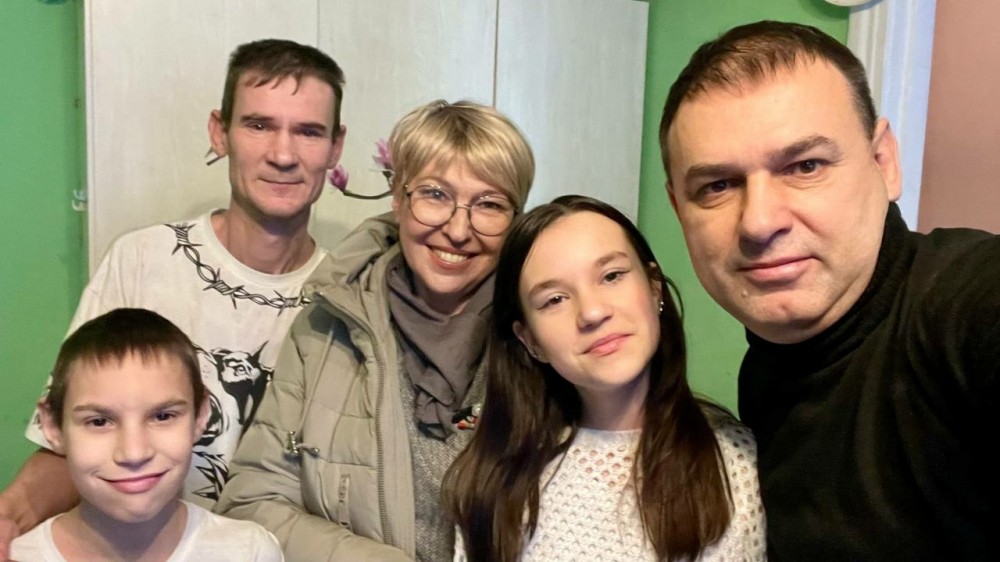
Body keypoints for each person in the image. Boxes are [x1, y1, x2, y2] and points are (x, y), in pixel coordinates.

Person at [660, 20, 1000, 561]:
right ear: (680, 210)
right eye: (718, 186)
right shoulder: (771, 370)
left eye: (805, 166)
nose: (759, 222)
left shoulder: (966, 303)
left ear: (884, 163)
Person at [0, 38, 346, 558]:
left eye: (308, 131)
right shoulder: (144, 260)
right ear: (220, 131)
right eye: (258, 125)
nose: (282, 154)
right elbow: (79, 438)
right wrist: (12, 513)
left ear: (336, 147)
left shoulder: (346, 297)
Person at [214, 99, 536, 561]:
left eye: (489, 204)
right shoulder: (328, 325)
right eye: (435, 195)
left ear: (517, 220)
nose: (458, 230)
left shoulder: (539, 335)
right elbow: (252, 502)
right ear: (398, 199)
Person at [443, 195, 765, 562]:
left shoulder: (736, 461)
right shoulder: (491, 480)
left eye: (611, 276)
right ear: (530, 340)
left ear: (654, 287)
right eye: (555, 299)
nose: (593, 312)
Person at [9, 308, 283, 562]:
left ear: (200, 416)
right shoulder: (17, 557)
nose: (134, 453)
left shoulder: (249, 552)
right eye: (99, 421)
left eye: (162, 416)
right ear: (52, 426)